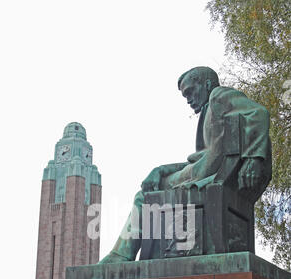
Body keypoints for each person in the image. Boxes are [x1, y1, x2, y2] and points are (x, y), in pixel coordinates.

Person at [99, 66, 272, 263]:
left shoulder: (218, 96)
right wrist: (160, 170)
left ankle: (121, 255)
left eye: (190, 91)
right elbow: (198, 160)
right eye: (185, 95)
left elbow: (259, 113)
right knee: (151, 186)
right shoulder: (210, 109)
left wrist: (254, 158)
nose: (188, 99)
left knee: (144, 196)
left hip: (207, 176)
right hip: (202, 173)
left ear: (206, 84)